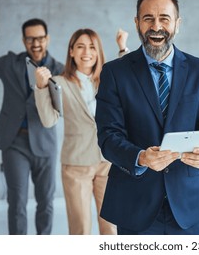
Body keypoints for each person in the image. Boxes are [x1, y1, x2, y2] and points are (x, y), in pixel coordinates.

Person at [95, 0, 199, 235]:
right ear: (137, 23)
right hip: (135, 205)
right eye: (148, 18)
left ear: (177, 23)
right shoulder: (114, 73)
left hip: (187, 205)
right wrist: (141, 157)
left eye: (164, 18)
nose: (157, 26)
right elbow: (108, 137)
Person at [0, 18, 64, 234]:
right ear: (23, 40)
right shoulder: (9, 63)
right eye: (30, 39)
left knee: (45, 202)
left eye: (40, 38)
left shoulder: (60, 70)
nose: (35, 43)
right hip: (14, 142)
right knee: (16, 202)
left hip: (45, 142)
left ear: (47, 39)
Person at [34, 28, 128, 235]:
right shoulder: (59, 83)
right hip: (76, 164)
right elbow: (49, 121)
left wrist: (122, 48)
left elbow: (130, 77)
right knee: (80, 228)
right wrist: (41, 88)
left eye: (92, 47)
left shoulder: (108, 79)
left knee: (112, 226)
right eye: (81, 46)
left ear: (98, 52)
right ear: (71, 51)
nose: (87, 52)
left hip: (108, 161)